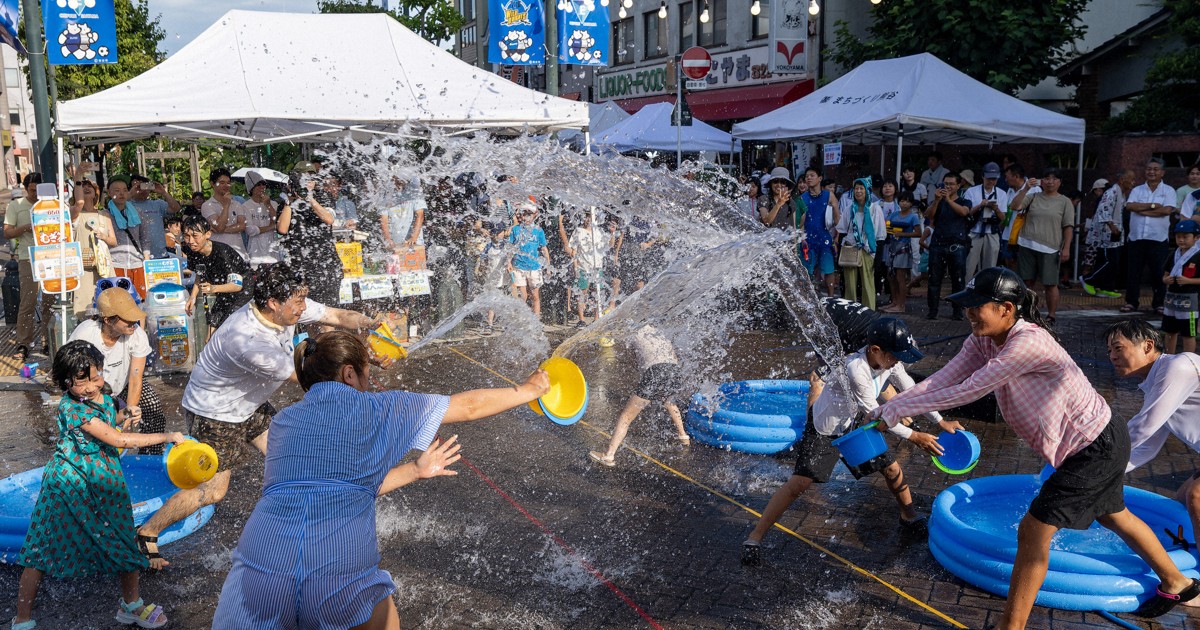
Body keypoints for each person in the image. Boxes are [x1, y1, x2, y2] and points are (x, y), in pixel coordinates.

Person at [870, 267, 1200, 626]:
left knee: (1032, 531)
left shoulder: (1027, 342)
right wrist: (888, 408)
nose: (969, 313)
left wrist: (899, 409)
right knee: (1114, 514)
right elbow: (947, 377)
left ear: (1007, 309)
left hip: (1095, 447)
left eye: (976, 306)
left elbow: (971, 389)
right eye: (967, 306)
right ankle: (1178, 581)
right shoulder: (983, 337)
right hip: (1095, 443)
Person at [211, 331, 549, 628]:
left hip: (260, 561)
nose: (369, 383)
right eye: (366, 374)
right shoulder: (381, 407)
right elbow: (469, 407)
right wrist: (527, 389)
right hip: (337, 563)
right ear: (349, 374)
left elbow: (338, 489)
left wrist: (415, 470)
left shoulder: (285, 422)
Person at [133, 264, 385, 569]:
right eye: (298, 302)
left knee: (296, 459)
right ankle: (146, 532)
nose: (303, 308)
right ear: (273, 303)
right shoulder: (248, 340)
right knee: (213, 490)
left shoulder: (288, 307)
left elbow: (334, 316)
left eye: (304, 300)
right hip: (215, 413)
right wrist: (361, 362)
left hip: (249, 404)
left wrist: (369, 323)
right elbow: (306, 375)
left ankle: (309, 529)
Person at [741, 316, 953, 566]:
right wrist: (915, 436)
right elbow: (878, 413)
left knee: (891, 468)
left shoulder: (889, 362)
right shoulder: (855, 369)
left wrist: (940, 421)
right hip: (825, 428)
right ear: (875, 350)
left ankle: (909, 515)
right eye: (894, 355)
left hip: (853, 425)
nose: (897, 360)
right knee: (799, 484)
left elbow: (913, 391)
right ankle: (754, 537)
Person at [10, 340, 185, 630]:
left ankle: (131, 605)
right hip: (69, 483)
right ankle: (22, 619)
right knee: (39, 550)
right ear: (66, 382)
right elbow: (117, 440)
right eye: (83, 382)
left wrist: (124, 416)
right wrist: (166, 437)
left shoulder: (101, 394)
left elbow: (111, 423)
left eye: (97, 377)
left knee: (123, 538)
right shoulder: (72, 409)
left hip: (105, 480)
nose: (92, 386)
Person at [1110, 319, 1200, 551]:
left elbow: (1144, 426)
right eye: (1109, 350)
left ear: (1147, 346)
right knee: (1179, 503)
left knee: (1196, 496)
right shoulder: (1157, 385)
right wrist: (1105, 472)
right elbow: (1147, 446)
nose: (1112, 356)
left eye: (1118, 348)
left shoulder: (1179, 366)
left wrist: (1098, 456)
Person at [67, 287, 168, 454]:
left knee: (151, 406)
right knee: (95, 424)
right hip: (91, 387)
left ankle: (151, 455)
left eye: (135, 318)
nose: (134, 323)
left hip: (123, 384)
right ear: (107, 320)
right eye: (127, 320)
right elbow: (73, 372)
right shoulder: (86, 334)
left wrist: (130, 412)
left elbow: (136, 377)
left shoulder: (136, 335)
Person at [588, 325, 689, 467]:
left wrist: (647, 383)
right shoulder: (658, 330)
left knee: (626, 416)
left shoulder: (632, 330)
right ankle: (683, 436)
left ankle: (608, 455)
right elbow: (673, 356)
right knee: (669, 401)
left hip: (656, 371)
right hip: (673, 370)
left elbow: (633, 360)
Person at [1011, 169, 1074, 324]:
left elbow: (1068, 227)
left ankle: (1051, 315)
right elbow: (1014, 206)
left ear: (1060, 182)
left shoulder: (1065, 201)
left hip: (1050, 247)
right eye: (1046, 178)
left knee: (1050, 283)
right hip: (1027, 244)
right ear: (1041, 181)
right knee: (1026, 282)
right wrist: (1026, 187)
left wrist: (1066, 248)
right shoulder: (1032, 196)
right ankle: (1026, 312)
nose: (1050, 182)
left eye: (1054, 179)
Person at [5, 174, 54, 359]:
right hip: (28, 258)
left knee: (50, 303)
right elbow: (8, 232)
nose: (36, 194)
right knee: (28, 302)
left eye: (39, 190)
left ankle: (47, 342)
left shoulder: (50, 205)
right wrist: (26, 227)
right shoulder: (16, 206)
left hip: (50, 256)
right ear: (26, 189)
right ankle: (23, 343)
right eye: (32, 190)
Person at [278, 169, 343, 306]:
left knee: (327, 312)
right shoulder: (286, 204)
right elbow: (282, 229)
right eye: (301, 183)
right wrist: (289, 202)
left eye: (308, 180)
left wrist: (310, 198)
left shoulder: (323, 197)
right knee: (302, 312)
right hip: (299, 267)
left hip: (325, 265)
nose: (306, 185)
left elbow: (329, 219)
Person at [180, 215, 251, 333]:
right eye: (187, 236)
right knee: (211, 332)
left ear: (208, 234)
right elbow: (200, 274)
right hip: (222, 291)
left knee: (226, 328)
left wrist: (213, 288)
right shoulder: (193, 251)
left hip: (244, 291)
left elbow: (236, 285)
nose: (191, 241)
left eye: (195, 236)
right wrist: (192, 297)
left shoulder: (223, 252)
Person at [1123, 158, 1177, 314]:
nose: (1151, 172)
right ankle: (1131, 302)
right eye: (1149, 169)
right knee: (1133, 272)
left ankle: (1159, 304)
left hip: (1158, 239)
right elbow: (1130, 206)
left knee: (1158, 273)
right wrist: (1153, 206)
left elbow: (1167, 210)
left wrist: (1143, 211)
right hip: (1136, 238)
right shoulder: (1137, 190)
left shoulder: (1168, 190)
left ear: (1162, 172)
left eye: (1155, 169)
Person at [924, 172, 971, 320]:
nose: (948, 187)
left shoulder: (965, 201)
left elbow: (964, 212)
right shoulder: (938, 201)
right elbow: (928, 215)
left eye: (951, 184)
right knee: (934, 279)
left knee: (958, 279)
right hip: (938, 244)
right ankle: (933, 310)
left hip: (957, 245)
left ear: (958, 186)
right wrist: (937, 201)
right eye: (946, 184)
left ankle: (957, 312)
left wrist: (948, 199)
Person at [70, 179, 117, 321]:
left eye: (89, 186)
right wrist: (77, 176)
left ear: (95, 192)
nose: (86, 188)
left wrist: (103, 236)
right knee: (83, 310)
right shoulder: (74, 213)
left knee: (108, 306)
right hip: (83, 269)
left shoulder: (104, 214)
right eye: (82, 186)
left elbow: (114, 241)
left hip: (104, 267)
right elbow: (79, 204)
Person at [1082, 171, 1134, 298]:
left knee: (1114, 262)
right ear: (1122, 180)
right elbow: (1103, 210)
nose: (1133, 183)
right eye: (1131, 179)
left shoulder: (1121, 194)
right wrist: (1111, 225)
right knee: (1109, 261)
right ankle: (1089, 280)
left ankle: (1106, 287)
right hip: (1106, 233)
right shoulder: (1112, 192)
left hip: (1116, 233)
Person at [836, 178, 885, 309]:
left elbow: (880, 235)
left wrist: (879, 257)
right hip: (850, 247)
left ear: (867, 191)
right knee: (850, 283)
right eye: (856, 188)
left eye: (861, 188)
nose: (858, 191)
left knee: (868, 282)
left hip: (868, 248)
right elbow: (842, 231)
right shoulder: (848, 209)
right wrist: (839, 253)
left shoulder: (875, 209)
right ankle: (850, 312)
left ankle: (869, 312)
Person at [103, 176, 154, 300]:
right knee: (119, 301)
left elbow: (145, 237)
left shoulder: (138, 212)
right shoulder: (105, 214)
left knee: (141, 300)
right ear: (109, 192)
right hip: (115, 264)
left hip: (137, 263)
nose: (121, 194)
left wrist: (146, 260)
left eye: (125, 190)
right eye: (117, 190)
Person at [562, 211, 611, 327]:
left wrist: (613, 234)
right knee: (582, 294)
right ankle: (582, 320)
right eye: (586, 218)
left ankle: (596, 318)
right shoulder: (578, 231)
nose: (588, 220)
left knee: (597, 293)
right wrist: (575, 266)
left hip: (597, 267)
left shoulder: (599, 232)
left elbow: (609, 246)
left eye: (591, 218)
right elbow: (572, 250)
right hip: (583, 267)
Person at [963, 162, 1009, 278]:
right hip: (974, 230)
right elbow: (966, 213)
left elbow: (1003, 218)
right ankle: (965, 291)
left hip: (991, 231)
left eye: (994, 179)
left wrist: (996, 208)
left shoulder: (1002, 194)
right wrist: (980, 205)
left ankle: (986, 292)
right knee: (969, 265)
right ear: (983, 176)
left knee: (990, 266)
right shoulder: (972, 191)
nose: (991, 182)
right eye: (989, 178)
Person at [798, 167, 839, 298]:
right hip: (808, 239)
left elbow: (838, 220)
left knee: (829, 269)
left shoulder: (829, 195)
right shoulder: (802, 198)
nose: (808, 178)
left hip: (825, 238)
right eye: (807, 176)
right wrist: (802, 238)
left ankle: (831, 298)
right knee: (806, 271)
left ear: (820, 178)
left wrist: (836, 237)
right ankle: (808, 298)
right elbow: (800, 223)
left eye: (812, 175)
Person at [1161, 219, 1200, 354]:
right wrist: (1167, 279)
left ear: (1196, 238)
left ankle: (1189, 359)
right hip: (1172, 298)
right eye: (1178, 237)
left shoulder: (1198, 255)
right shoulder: (1174, 254)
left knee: (1188, 333)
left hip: (1190, 300)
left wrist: (1188, 281)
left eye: (1185, 237)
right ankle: (1167, 358)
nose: (1181, 240)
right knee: (1169, 331)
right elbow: (1165, 274)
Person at [882, 191, 922, 314]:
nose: (904, 203)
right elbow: (886, 226)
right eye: (902, 200)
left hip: (903, 247)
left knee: (900, 277)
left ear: (911, 203)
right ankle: (894, 301)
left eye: (907, 201)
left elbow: (918, 233)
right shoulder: (894, 215)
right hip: (892, 247)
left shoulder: (913, 216)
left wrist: (902, 234)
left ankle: (901, 304)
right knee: (890, 276)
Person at [509, 204, 549, 319]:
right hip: (519, 266)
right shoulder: (516, 230)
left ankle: (535, 320)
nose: (526, 217)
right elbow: (511, 247)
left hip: (534, 266)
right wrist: (508, 262)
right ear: (521, 215)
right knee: (522, 295)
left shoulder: (538, 230)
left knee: (535, 295)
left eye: (529, 215)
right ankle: (520, 319)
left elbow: (544, 248)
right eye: (524, 214)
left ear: (534, 216)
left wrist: (548, 265)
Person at [200, 168, 249, 262]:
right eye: (222, 182)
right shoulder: (207, 205)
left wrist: (222, 230)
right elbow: (219, 226)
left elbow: (242, 226)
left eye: (228, 182)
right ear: (212, 184)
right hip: (219, 255)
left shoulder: (237, 204)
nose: (226, 186)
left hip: (239, 254)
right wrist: (226, 205)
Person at [128, 174, 180, 259]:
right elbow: (115, 210)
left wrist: (163, 192)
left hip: (161, 255)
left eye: (145, 185)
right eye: (137, 186)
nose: (142, 189)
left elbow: (176, 208)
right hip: (138, 257)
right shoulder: (127, 206)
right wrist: (130, 193)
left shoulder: (157, 204)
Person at [239, 171, 281, 270]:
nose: (262, 187)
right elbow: (250, 230)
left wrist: (268, 205)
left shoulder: (273, 204)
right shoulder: (245, 206)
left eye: (264, 184)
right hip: (255, 250)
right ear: (251, 188)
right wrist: (271, 226)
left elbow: (278, 222)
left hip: (272, 248)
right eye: (259, 184)